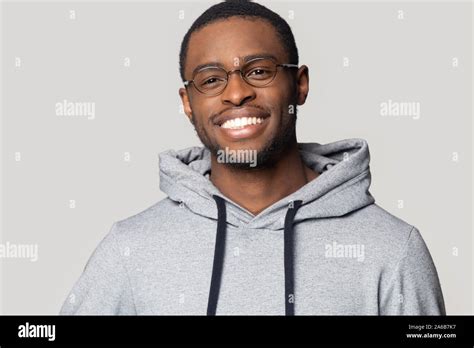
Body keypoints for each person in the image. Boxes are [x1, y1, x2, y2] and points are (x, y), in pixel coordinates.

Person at [60, 0, 445, 315]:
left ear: (299, 85)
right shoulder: (130, 248)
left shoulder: (393, 249)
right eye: (211, 79)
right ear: (188, 104)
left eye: (259, 71)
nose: (237, 93)